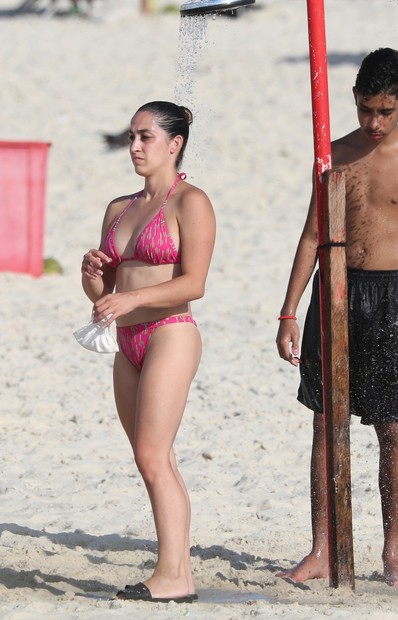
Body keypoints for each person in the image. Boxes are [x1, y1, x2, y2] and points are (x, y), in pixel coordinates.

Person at [275, 48, 398, 587]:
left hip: (396, 296)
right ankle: (320, 549)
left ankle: (393, 554)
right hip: (336, 292)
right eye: (366, 111)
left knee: (393, 429)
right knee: (325, 424)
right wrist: (288, 311)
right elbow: (311, 235)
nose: (375, 123)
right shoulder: (334, 156)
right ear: (353, 100)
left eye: (386, 111)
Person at [81, 101, 216, 603]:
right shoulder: (119, 208)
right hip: (127, 339)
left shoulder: (191, 203)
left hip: (169, 332)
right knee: (152, 460)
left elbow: (194, 283)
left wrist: (131, 297)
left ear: (174, 144)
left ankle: (172, 574)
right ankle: (176, 573)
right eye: (132, 137)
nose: (135, 147)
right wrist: (93, 275)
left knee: (152, 453)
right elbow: (104, 297)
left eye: (145, 138)